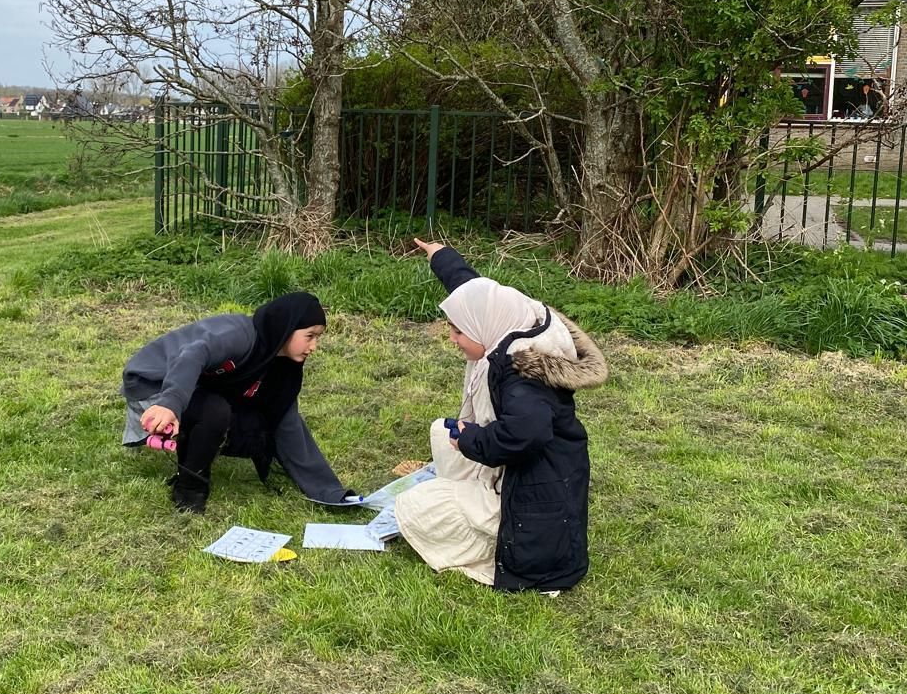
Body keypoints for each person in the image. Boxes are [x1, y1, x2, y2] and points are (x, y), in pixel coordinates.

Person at [396, 240, 608, 594]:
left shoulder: (521, 373)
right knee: (440, 433)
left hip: (531, 512)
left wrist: (471, 440)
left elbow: (529, 433)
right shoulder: (517, 320)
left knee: (414, 506)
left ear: (483, 326)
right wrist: (441, 255)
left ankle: (489, 545)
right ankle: (469, 499)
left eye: (458, 331)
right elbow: (473, 290)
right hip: (528, 479)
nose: (452, 339)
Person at [121, 291, 360, 514]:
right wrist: (170, 403)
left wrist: (330, 492)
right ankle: (189, 489)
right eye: (309, 336)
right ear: (287, 328)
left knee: (257, 421)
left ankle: (189, 442)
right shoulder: (241, 334)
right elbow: (193, 355)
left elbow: (288, 426)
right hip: (155, 382)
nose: (314, 346)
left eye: (318, 338)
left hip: (193, 387)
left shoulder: (283, 368)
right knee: (215, 411)